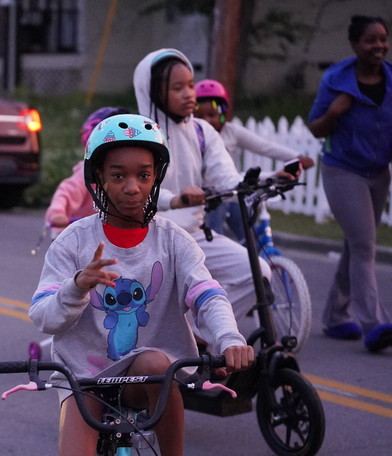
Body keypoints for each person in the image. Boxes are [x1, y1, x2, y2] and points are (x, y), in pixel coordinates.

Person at [29, 113, 254, 456]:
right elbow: (41, 313)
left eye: (144, 174)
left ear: (157, 178)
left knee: (160, 362)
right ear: (98, 181)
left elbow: (206, 294)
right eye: (117, 175)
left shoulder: (174, 241)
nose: (131, 187)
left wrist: (230, 338)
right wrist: (77, 288)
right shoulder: (74, 242)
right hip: (84, 380)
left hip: (144, 377)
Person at [134, 48, 296, 324]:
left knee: (257, 272)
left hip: (194, 236)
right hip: (148, 239)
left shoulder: (202, 131)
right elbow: (135, 189)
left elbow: (227, 179)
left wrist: (272, 178)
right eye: (177, 88)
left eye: (190, 85)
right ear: (154, 92)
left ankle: (198, 333)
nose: (189, 94)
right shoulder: (138, 134)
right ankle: (177, 336)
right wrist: (174, 200)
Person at [308, 15, 392, 353]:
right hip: (343, 171)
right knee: (363, 244)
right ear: (355, 45)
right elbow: (315, 127)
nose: (379, 46)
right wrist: (333, 114)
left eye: (383, 39)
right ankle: (375, 324)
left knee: (357, 245)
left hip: (378, 172)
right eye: (371, 40)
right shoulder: (336, 80)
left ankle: (335, 315)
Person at [193, 78, 315, 242]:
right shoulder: (194, 137)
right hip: (210, 195)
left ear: (223, 114)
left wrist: (296, 157)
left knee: (250, 238)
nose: (206, 121)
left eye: (212, 115)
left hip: (233, 188)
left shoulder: (232, 132)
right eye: (200, 116)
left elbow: (264, 146)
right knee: (214, 236)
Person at [44, 106, 129, 236]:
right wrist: (57, 213)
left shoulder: (130, 174)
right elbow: (65, 192)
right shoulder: (88, 171)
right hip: (74, 234)